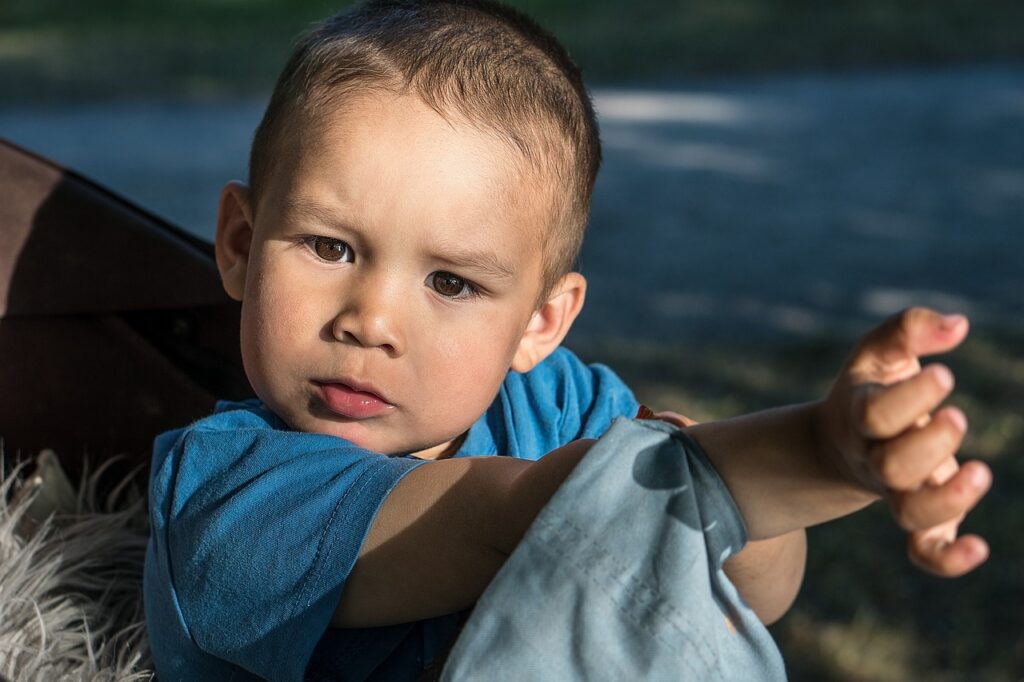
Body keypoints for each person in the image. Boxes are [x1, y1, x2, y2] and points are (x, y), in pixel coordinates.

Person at [142, 1, 992, 679]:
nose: (370, 321)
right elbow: (510, 514)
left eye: (451, 281)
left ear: (541, 322)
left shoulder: (565, 407)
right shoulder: (228, 499)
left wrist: (830, 466)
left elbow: (748, 586)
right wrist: (786, 453)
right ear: (243, 246)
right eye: (332, 248)